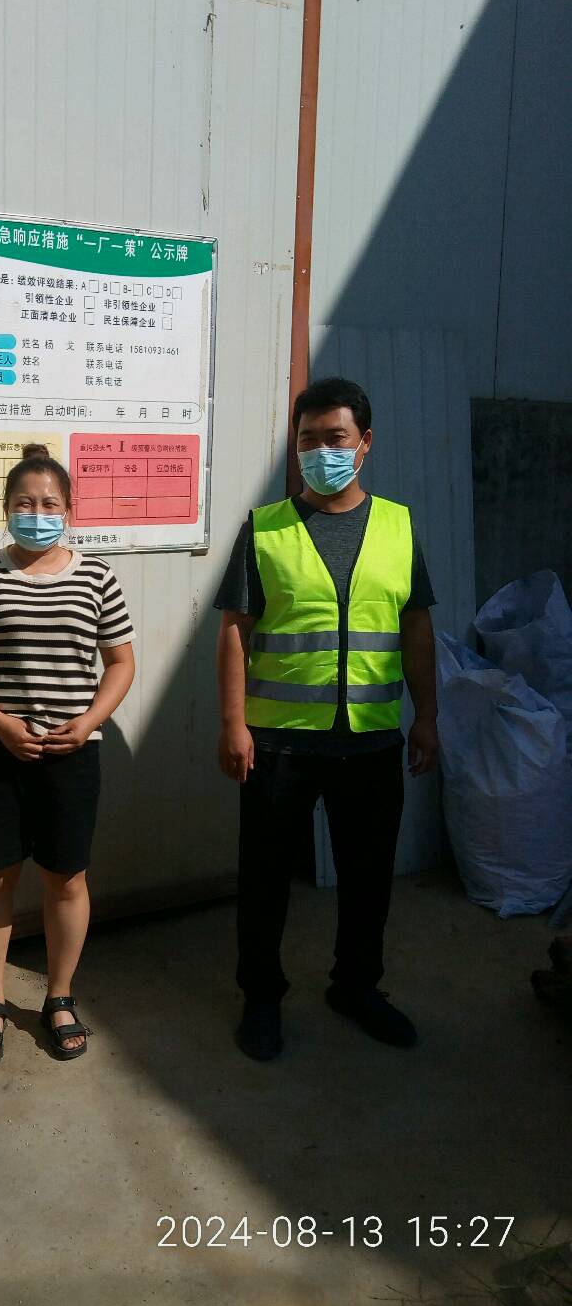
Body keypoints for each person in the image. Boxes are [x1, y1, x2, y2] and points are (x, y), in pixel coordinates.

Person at [214, 378, 438, 1061]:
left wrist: (427, 716)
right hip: (278, 743)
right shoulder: (265, 528)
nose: (320, 451)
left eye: (335, 438)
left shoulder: (398, 526)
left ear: (364, 444)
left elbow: (416, 626)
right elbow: (235, 630)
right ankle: (261, 997)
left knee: (368, 878)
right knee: (265, 880)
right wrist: (233, 723)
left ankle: (357, 987)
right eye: (307, 440)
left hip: (370, 739)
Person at [0, 444, 135, 1065]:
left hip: (73, 753)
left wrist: (88, 723)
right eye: (25, 503)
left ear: (69, 510)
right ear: (6, 508)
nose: (38, 514)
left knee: (66, 877)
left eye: (50, 504)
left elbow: (120, 663)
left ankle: (60, 996)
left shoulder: (97, 577)